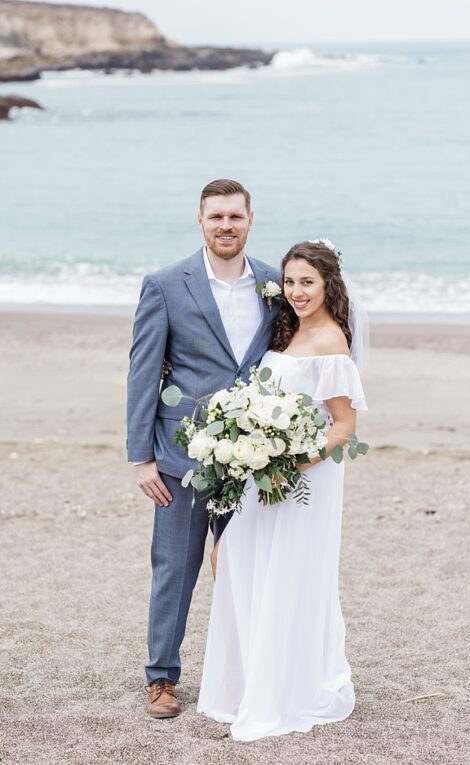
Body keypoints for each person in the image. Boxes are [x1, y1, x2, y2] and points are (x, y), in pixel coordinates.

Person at [196, 239, 367, 741]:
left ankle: (284, 691)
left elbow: (342, 427)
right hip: (261, 475)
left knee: (288, 573)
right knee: (237, 560)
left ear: (328, 284)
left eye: (307, 282)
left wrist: (288, 463)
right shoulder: (286, 328)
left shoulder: (332, 343)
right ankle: (247, 683)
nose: (296, 291)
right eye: (290, 281)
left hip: (299, 482)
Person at [127, 179, 279, 719]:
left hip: (255, 457)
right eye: (216, 217)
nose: (225, 226)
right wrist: (141, 456)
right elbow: (144, 371)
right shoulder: (166, 284)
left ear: (250, 220)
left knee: (248, 567)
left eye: (235, 217)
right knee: (175, 568)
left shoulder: (276, 283)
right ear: (200, 221)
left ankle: (249, 674)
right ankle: (162, 679)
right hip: (179, 456)